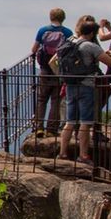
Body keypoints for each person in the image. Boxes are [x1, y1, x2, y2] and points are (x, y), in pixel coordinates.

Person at [57, 19, 111, 168]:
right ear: (92, 33)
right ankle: (83, 155)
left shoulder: (69, 43)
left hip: (70, 85)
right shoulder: (91, 46)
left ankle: (62, 153)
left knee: (70, 122)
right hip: (86, 86)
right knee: (85, 123)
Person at [31, 8, 72, 136]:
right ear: (63, 18)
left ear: (51, 17)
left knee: (42, 99)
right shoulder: (67, 32)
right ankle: (51, 129)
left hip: (44, 69)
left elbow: (34, 49)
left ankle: (39, 127)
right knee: (56, 99)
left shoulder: (43, 31)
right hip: (58, 69)